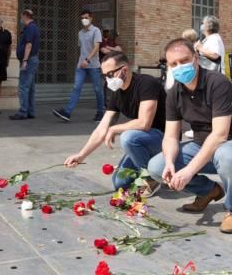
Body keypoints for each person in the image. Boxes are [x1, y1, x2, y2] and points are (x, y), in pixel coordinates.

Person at [147, 39, 232, 234]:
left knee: (226, 155)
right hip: (203, 147)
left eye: (184, 60)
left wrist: (189, 171)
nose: (179, 67)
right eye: (173, 64)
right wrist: (169, 162)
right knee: (156, 167)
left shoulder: (217, 83)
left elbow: (220, 135)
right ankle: (209, 191)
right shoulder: (174, 93)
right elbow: (171, 137)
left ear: (196, 58)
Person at [64, 51, 166, 194]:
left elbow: (144, 123)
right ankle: (155, 168)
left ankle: (152, 176)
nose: (107, 80)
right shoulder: (117, 94)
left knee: (128, 137)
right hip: (142, 142)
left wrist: (114, 129)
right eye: (104, 76)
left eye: (110, 75)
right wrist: (81, 155)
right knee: (119, 183)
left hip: (162, 139)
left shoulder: (147, 83)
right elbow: (101, 129)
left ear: (124, 70)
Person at [53, 9, 105, 122]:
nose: (84, 20)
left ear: (91, 18)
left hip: (93, 66)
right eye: (82, 18)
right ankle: (67, 112)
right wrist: (82, 60)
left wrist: (87, 59)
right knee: (76, 88)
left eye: (86, 18)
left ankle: (101, 113)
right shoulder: (80, 33)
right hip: (81, 66)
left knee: (97, 89)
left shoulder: (96, 31)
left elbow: (96, 47)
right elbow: (81, 48)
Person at [10, 9, 40, 120]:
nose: (21, 19)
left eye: (22, 16)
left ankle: (23, 112)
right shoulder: (34, 27)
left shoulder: (30, 28)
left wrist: (25, 61)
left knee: (23, 86)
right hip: (33, 59)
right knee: (31, 87)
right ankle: (30, 112)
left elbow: (29, 45)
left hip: (29, 60)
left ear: (26, 16)